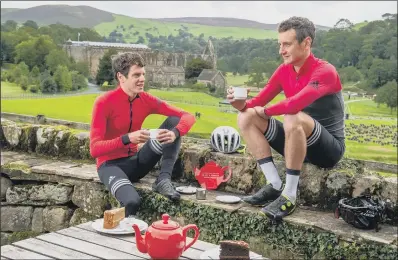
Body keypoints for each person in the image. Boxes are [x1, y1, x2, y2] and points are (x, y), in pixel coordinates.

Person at [227, 17, 345, 220]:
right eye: (280, 44)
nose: (281, 50)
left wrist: (266, 111)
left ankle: (289, 195)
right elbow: (257, 102)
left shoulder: (325, 71)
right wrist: (241, 104)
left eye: (287, 44)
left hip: (327, 150)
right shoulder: (284, 70)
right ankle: (274, 184)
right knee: (246, 117)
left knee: (292, 116)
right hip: (295, 144)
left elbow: (294, 105)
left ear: (306, 43)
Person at [90, 52, 196, 217]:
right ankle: (118, 234)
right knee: (132, 202)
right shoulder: (104, 102)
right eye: (136, 75)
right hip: (110, 167)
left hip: (137, 163)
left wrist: (175, 133)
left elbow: (188, 116)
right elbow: (95, 150)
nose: (142, 79)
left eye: (143, 74)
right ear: (121, 77)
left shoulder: (145, 99)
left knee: (174, 121)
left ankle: (163, 180)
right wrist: (128, 139)